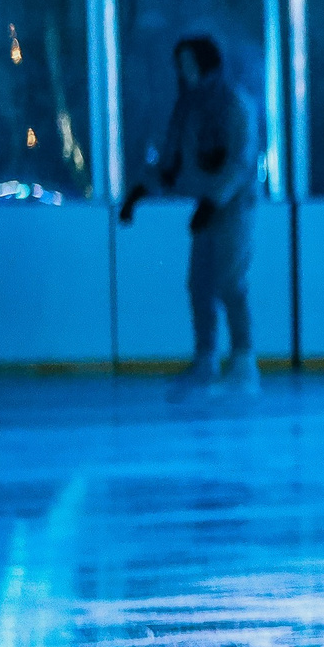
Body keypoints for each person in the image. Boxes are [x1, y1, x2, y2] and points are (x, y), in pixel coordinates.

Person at [119, 36, 261, 395]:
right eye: (181, 64)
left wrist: (214, 200)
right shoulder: (189, 106)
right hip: (206, 207)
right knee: (200, 285)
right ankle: (206, 360)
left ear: (205, 63)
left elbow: (241, 161)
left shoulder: (233, 102)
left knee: (230, 282)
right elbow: (174, 161)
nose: (184, 70)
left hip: (233, 206)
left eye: (189, 62)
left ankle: (244, 364)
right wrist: (141, 190)